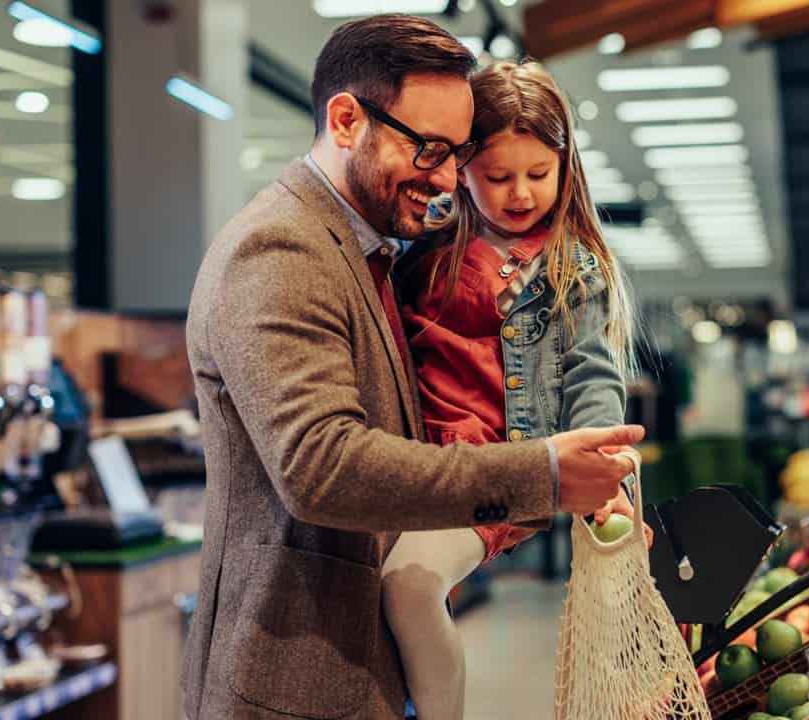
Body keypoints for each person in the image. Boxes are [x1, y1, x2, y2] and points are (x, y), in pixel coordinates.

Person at [181, 15, 642, 720]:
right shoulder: (280, 251)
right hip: (293, 684)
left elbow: (584, 374)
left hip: (354, 668)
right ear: (345, 120)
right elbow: (320, 467)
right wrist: (539, 473)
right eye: (430, 150)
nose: (446, 179)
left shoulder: (381, 250)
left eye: (455, 154)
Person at [384, 60, 643, 720]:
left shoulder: (570, 264)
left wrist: (609, 478)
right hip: (418, 465)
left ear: (566, 166)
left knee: (408, 586)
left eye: (539, 174)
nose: (520, 193)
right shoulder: (429, 242)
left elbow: (592, 373)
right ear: (462, 165)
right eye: (498, 177)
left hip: (502, 473)